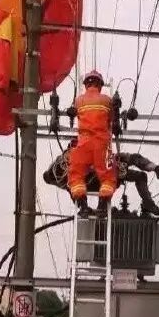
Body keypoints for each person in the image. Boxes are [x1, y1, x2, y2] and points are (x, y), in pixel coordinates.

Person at [44, 142, 159, 217]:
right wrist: (85, 209)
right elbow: (78, 195)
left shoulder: (67, 167)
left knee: (139, 172)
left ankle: (156, 177)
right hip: (103, 177)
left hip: (105, 169)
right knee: (131, 167)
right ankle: (156, 173)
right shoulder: (69, 180)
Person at [67, 70, 116, 218]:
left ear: (86, 85)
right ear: (100, 85)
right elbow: (111, 120)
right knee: (108, 177)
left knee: (76, 174)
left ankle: (83, 207)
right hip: (102, 144)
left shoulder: (78, 101)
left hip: (84, 144)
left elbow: (75, 115)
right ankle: (102, 207)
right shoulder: (107, 100)